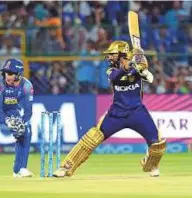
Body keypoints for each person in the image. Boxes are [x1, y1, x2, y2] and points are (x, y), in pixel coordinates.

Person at [53, 41, 166, 178]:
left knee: (158, 143)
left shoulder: (135, 67)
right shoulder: (111, 70)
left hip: (137, 112)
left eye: (112, 55)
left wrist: (142, 67)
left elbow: (150, 78)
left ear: (122, 54)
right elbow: (115, 78)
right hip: (116, 114)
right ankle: (66, 167)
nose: (109, 57)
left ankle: (151, 165)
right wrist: (126, 68)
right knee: (92, 137)